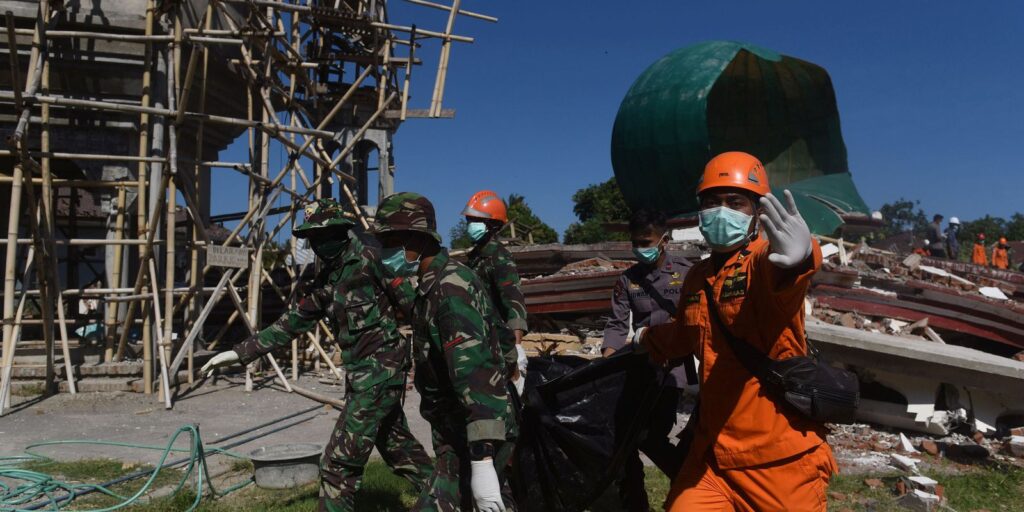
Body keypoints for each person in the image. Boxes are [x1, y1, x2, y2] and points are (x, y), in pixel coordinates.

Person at [200, 198, 431, 512]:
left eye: (323, 237)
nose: (318, 245)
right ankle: (450, 496)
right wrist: (240, 352)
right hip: (361, 378)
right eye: (313, 239)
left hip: (381, 374)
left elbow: (417, 309)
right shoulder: (327, 281)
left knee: (338, 463)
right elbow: (292, 322)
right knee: (398, 448)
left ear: (340, 232)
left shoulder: (371, 259)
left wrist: (439, 359)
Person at [637, 151, 836, 511]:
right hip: (712, 459)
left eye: (735, 202)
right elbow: (685, 335)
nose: (721, 211)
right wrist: (644, 340)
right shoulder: (697, 277)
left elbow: (787, 275)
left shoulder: (764, 260)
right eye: (712, 202)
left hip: (777, 460)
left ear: (756, 213)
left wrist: (803, 256)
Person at [373, 192, 515, 511]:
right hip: (458, 431)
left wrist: (482, 465)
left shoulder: (449, 291)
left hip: (476, 434)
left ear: (417, 238)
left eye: (390, 239)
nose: (385, 250)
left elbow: (476, 380)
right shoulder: (432, 284)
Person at [602, 208, 693, 511]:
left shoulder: (686, 272)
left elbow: (696, 321)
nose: (642, 248)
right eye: (636, 243)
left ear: (664, 240)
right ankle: (635, 502)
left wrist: (675, 350)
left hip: (675, 369)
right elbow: (616, 324)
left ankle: (691, 485)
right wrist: (608, 362)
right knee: (625, 438)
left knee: (652, 436)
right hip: (640, 367)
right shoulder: (627, 280)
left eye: (647, 241)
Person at [461, 190, 529, 394]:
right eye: (469, 220)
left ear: (493, 225)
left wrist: (517, 348)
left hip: (500, 342)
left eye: (476, 220)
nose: (470, 225)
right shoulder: (475, 257)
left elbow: (514, 301)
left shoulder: (499, 257)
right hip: (480, 339)